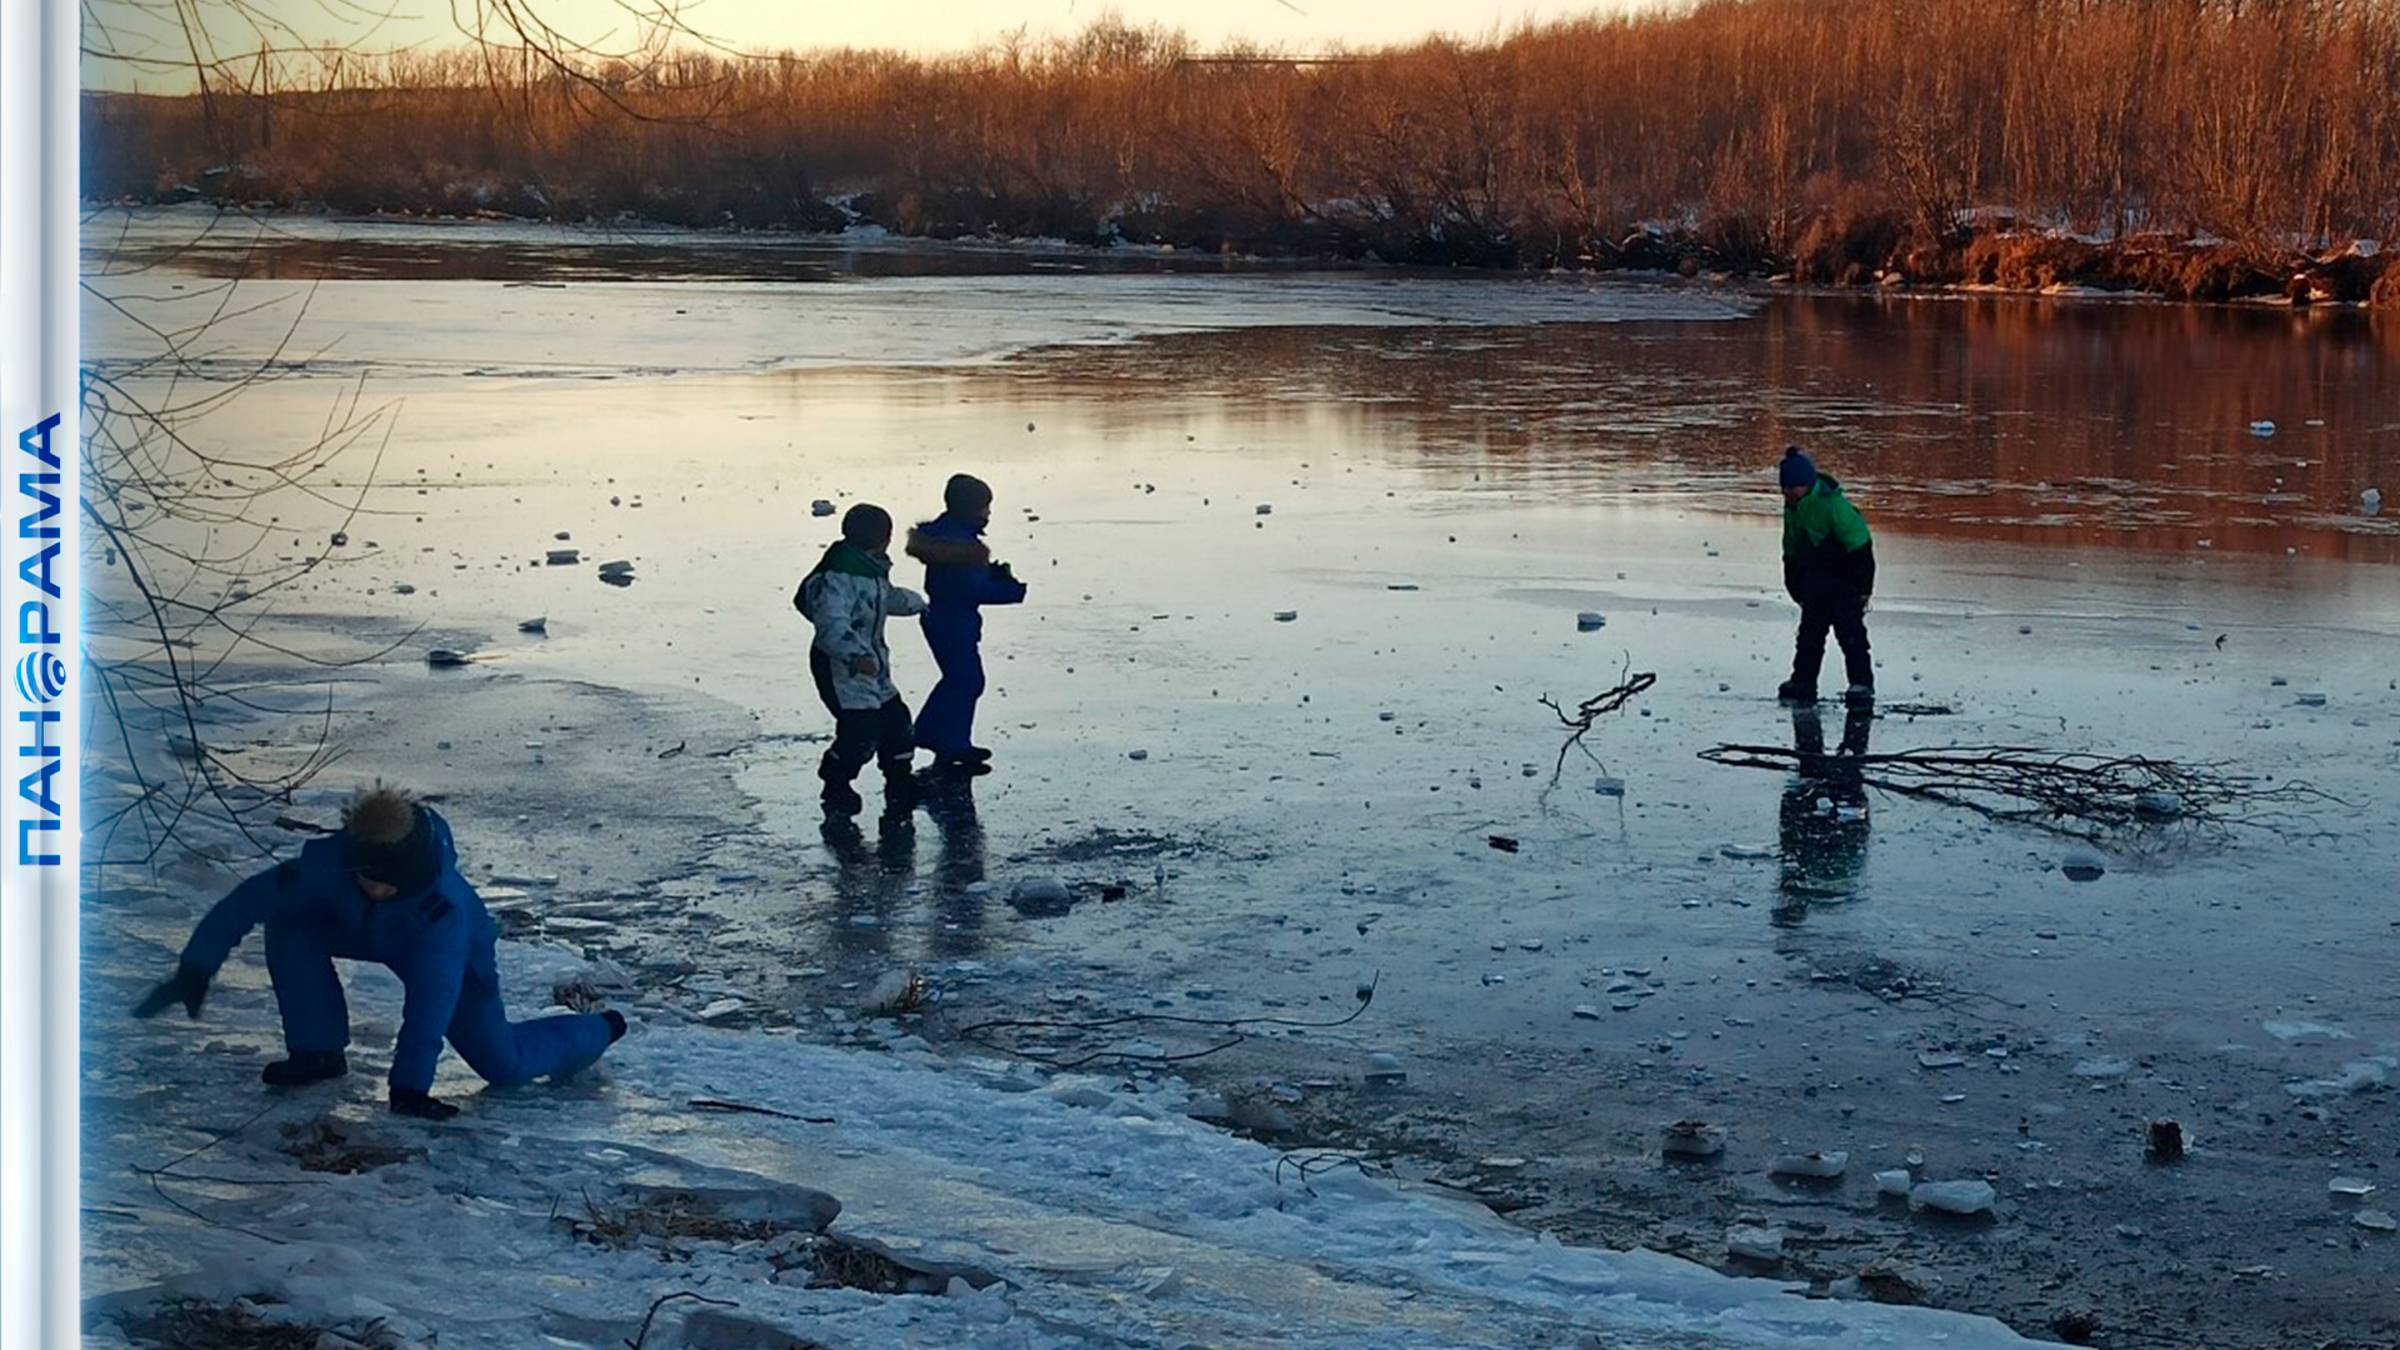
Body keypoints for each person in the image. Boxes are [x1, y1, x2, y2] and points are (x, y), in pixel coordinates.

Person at [131, 784, 625, 1119]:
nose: (377, 891)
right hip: (356, 930)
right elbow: (246, 903)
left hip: (440, 956)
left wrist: (409, 1087)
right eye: (368, 879)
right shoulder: (329, 867)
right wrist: (194, 969)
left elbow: (431, 1003)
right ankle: (317, 1051)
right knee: (289, 923)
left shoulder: (444, 911)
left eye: (390, 885)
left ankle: (597, 1029)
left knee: (505, 1066)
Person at [797, 503, 929, 818]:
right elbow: (831, 625)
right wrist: (855, 656)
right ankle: (836, 781)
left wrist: (915, 603)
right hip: (841, 668)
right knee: (860, 730)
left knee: (896, 721)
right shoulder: (837, 576)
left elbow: (882, 599)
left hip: (874, 665)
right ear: (883, 538)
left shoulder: (870, 570)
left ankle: (899, 779)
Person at [906, 473, 1028, 774]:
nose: (988, 514)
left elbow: (964, 582)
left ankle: (949, 737)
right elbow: (970, 589)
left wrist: (989, 574)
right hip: (953, 621)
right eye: (985, 508)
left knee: (962, 679)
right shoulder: (960, 546)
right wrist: (1011, 590)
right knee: (966, 679)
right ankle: (939, 735)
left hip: (945, 618)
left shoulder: (949, 538)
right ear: (970, 510)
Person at [1776, 445, 1876, 705]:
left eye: (1792, 487)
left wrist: (1863, 588)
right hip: (1815, 582)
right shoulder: (1792, 508)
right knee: (1809, 636)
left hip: (1845, 581)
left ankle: (1861, 684)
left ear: (1806, 485)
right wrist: (1796, 586)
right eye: (1784, 487)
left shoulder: (1832, 506)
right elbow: (1791, 548)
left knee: (1851, 635)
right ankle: (1803, 681)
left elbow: (1861, 547)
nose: (1786, 492)